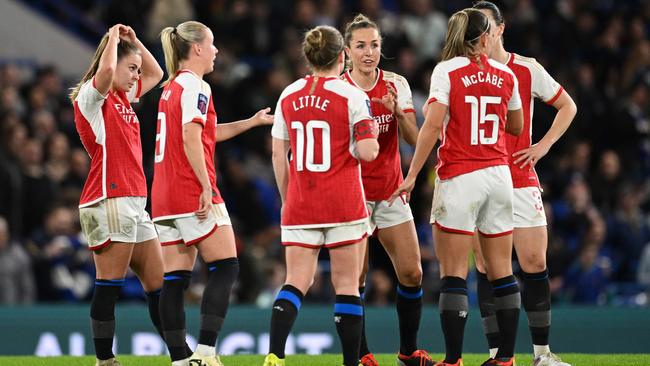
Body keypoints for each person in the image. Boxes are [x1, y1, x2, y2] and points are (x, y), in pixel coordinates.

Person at [390, 8, 524, 366]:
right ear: (485, 38)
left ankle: (453, 360)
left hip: (460, 176)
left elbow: (432, 127)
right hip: (498, 175)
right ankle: (506, 359)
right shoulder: (505, 73)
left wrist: (413, 173)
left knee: (453, 274)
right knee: (501, 271)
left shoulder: (446, 71)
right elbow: (516, 125)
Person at [154, 21, 273, 366]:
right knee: (227, 265)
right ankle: (206, 353)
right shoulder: (197, 86)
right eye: (213, 43)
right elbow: (192, 138)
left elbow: (205, 134)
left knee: (175, 278)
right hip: (190, 188)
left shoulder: (171, 88)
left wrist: (250, 122)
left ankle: (180, 359)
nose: (217, 51)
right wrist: (206, 184)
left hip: (163, 194)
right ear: (197, 49)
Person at [264, 25, 380, 366]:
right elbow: (370, 152)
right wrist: (367, 133)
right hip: (343, 200)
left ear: (308, 57)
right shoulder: (353, 96)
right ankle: (350, 362)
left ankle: (275, 355)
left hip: (302, 201)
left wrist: (288, 198)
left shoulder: (288, 94)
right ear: (342, 57)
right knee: (346, 283)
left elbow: (277, 155)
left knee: (296, 280)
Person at [471, 2, 577, 365]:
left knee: (533, 261)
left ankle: (542, 355)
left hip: (519, 178)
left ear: (501, 28)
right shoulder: (463, 71)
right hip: (480, 180)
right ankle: (498, 356)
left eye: (486, 25)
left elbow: (567, 106)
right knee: (486, 268)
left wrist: (543, 146)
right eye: (475, 26)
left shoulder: (526, 69)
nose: (481, 33)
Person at [69, 24, 165, 366]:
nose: (136, 75)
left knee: (158, 284)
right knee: (109, 283)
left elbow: (158, 72)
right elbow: (108, 69)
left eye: (136, 70)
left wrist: (136, 44)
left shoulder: (124, 97)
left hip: (134, 201)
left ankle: (181, 356)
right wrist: (112, 37)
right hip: (108, 199)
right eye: (132, 68)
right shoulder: (92, 98)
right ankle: (104, 360)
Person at [341, 14, 432, 366]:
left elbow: (414, 138)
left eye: (374, 45)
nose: (369, 52)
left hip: (391, 192)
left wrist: (398, 113)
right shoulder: (340, 88)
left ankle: (408, 352)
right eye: (361, 46)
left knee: (412, 273)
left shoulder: (395, 83)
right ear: (347, 51)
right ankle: (362, 355)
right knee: (357, 278)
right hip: (353, 194)